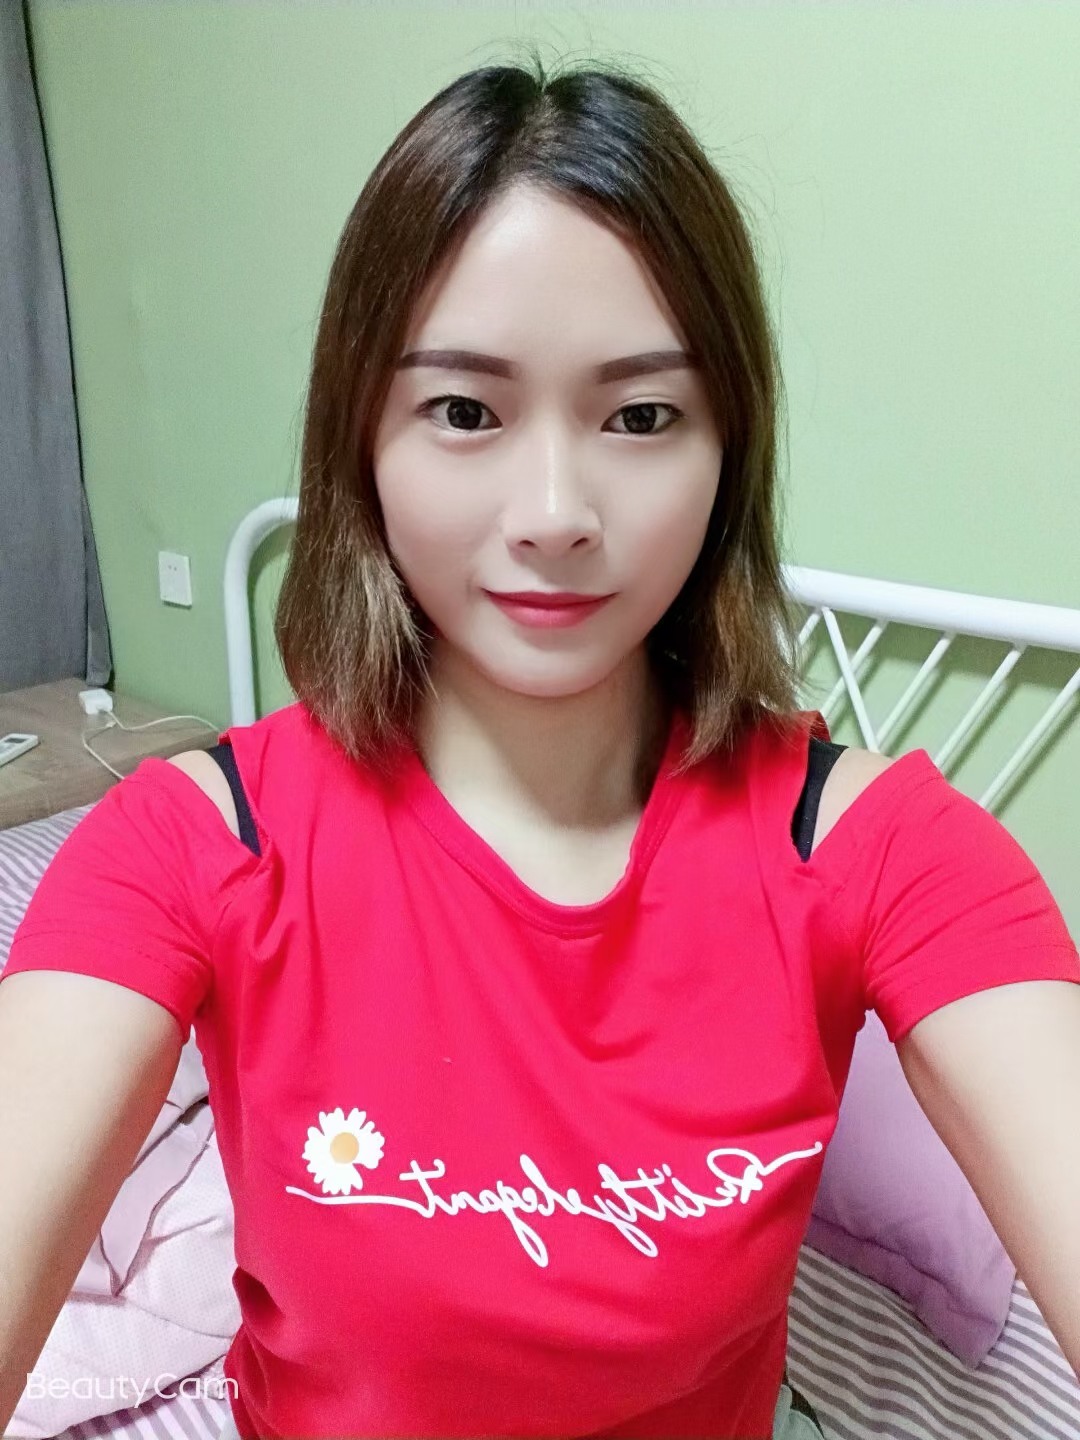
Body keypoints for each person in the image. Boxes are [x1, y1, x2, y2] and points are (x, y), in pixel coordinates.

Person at [1, 53, 1078, 1440]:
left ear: (727, 450)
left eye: (642, 416)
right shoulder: (196, 842)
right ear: (362, 441)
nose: (557, 510)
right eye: (465, 411)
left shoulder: (880, 852)